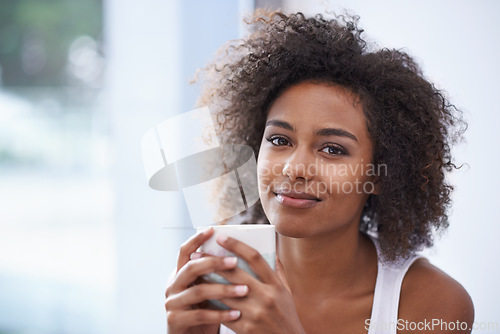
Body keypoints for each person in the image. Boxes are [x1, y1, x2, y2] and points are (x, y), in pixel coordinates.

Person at [164, 10, 474, 334]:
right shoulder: (214, 283)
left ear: (379, 175)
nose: (295, 168)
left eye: (332, 149)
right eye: (280, 140)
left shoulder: (434, 303)